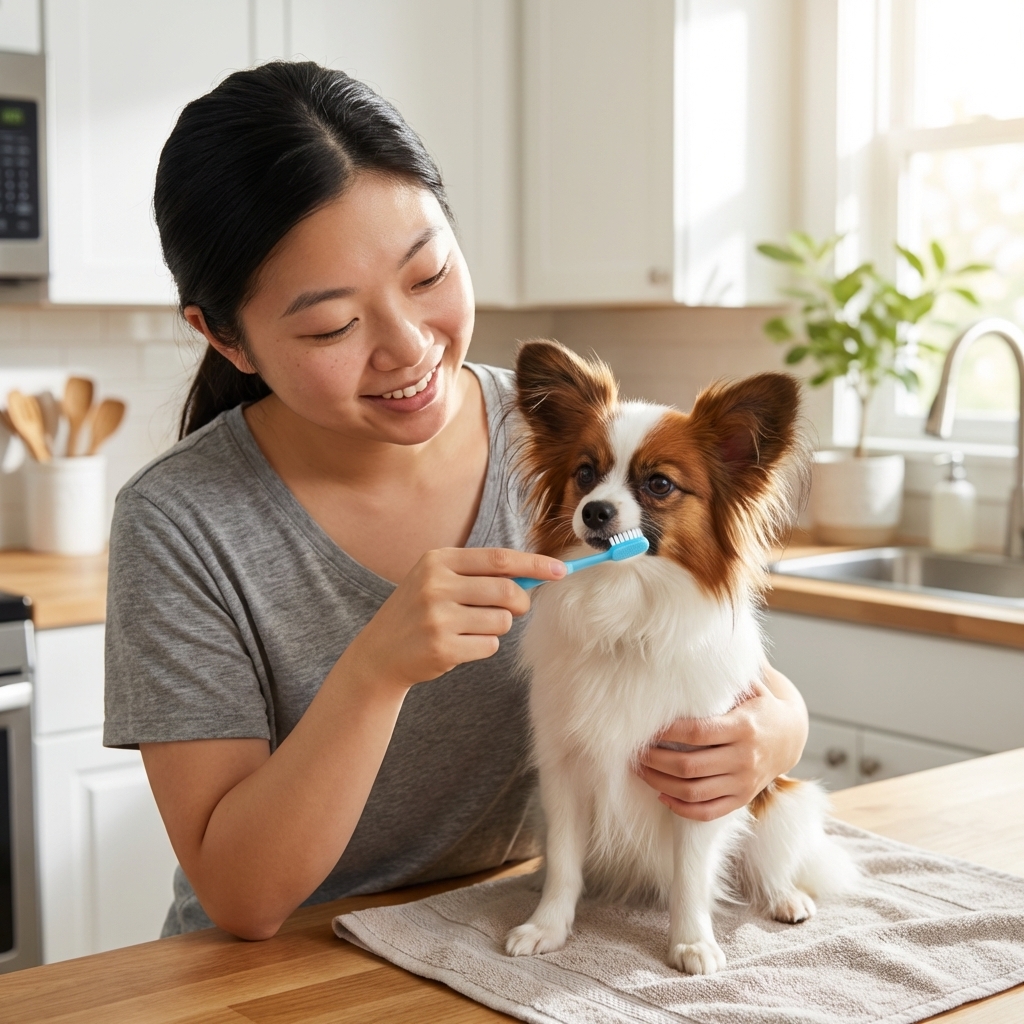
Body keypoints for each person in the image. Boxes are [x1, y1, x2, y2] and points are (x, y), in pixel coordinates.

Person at [103, 61, 810, 941]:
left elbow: (719, 657)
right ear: (224, 336)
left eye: (428, 273)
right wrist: (376, 669)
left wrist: (779, 732)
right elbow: (242, 900)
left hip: (499, 934)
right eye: (332, 325)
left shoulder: (557, 438)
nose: (407, 348)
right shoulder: (180, 524)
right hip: (286, 967)